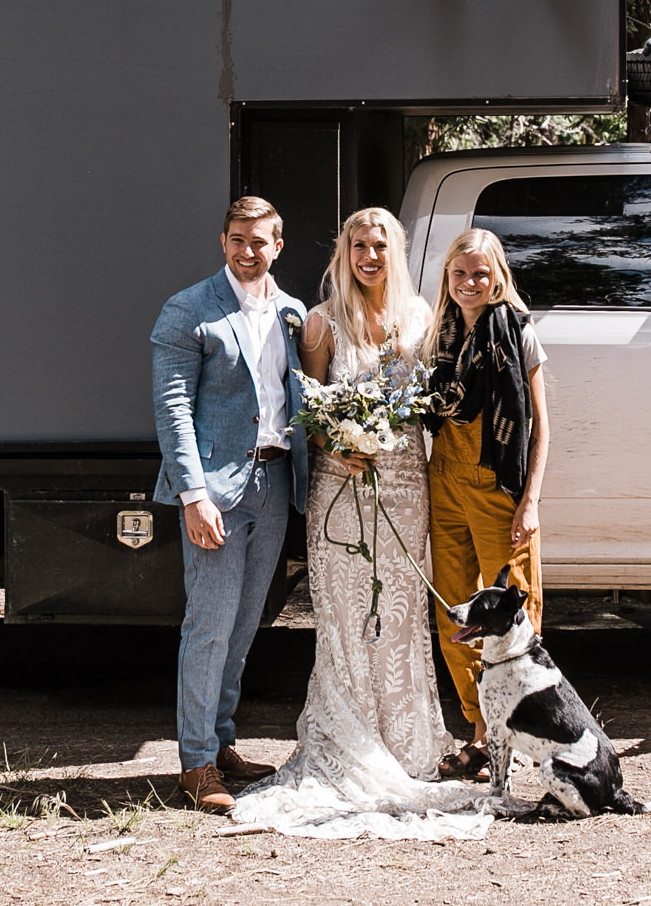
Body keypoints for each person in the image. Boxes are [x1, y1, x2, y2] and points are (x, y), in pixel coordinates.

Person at [230, 210, 488, 838]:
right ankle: (347, 741)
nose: (368, 256)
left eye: (379, 246)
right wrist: (335, 441)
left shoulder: (422, 318)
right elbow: (309, 407)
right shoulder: (322, 322)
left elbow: (434, 405)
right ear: (342, 250)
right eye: (357, 245)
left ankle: (407, 743)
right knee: (345, 619)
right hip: (339, 490)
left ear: (395, 253)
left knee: (399, 617)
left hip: (403, 485)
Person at [149, 196, 310, 813]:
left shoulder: (295, 314)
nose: (248, 251)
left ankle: (220, 745)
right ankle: (194, 765)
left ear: (278, 245)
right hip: (214, 490)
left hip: (273, 486)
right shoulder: (188, 310)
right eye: (237, 240)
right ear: (223, 243)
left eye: (260, 241)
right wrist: (193, 495)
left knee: (244, 628)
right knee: (209, 627)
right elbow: (172, 411)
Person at [423, 228, 551, 781]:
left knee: (512, 612)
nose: (470, 283)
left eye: (481, 274)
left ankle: (505, 733)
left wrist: (531, 502)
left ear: (498, 276)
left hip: (499, 486)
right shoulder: (440, 335)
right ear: (447, 278)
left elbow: (542, 426)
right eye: (460, 274)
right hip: (444, 480)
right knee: (452, 610)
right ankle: (481, 727)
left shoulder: (518, 332)